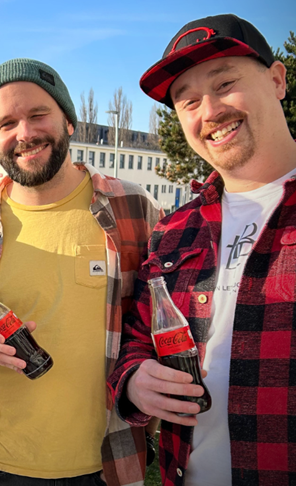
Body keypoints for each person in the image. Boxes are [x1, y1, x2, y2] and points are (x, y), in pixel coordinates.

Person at [0, 58, 164, 486]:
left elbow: (162, 314)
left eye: (38, 115)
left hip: (109, 461)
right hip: (1, 465)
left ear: (68, 120)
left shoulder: (135, 209)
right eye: (6, 123)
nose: (24, 133)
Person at [108, 14, 296, 486]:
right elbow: (137, 336)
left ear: (277, 80)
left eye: (225, 83)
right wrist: (134, 379)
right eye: (188, 101)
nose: (208, 111)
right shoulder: (173, 230)